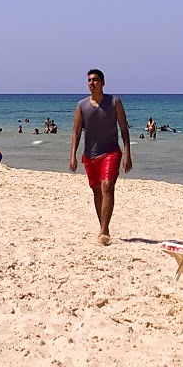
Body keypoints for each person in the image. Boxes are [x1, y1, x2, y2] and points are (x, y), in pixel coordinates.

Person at [70, 68, 132, 245]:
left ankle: (104, 231)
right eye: (89, 80)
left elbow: (124, 129)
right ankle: (103, 226)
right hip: (90, 155)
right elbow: (76, 132)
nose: (92, 83)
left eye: (95, 80)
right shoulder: (82, 106)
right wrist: (73, 155)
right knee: (97, 191)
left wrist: (127, 153)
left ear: (103, 83)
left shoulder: (114, 102)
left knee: (107, 187)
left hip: (111, 152)